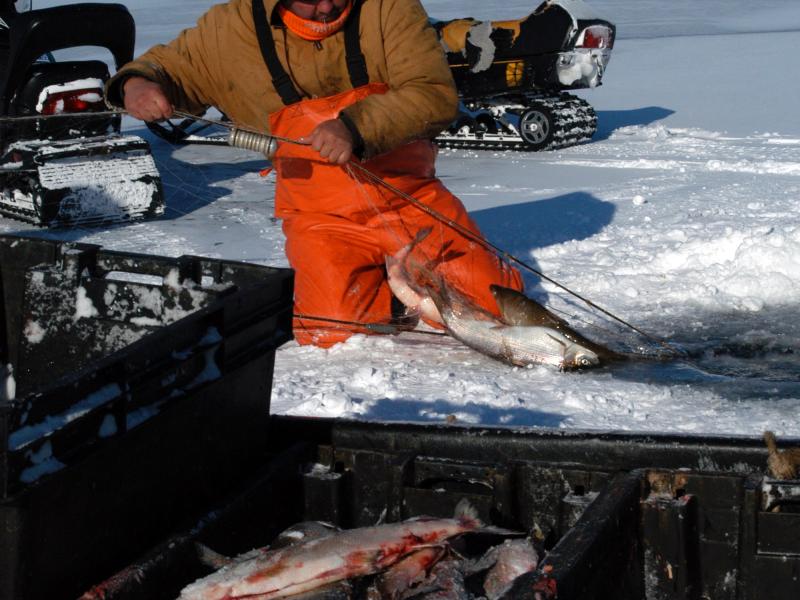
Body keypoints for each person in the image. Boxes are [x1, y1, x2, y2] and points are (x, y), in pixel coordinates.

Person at [106, 0, 523, 347]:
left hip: (407, 194)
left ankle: (421, 271)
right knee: (331, 329)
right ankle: (389, 285)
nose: (325, 8)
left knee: (495, 307)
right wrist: (136, 85)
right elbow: (167, 70)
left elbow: (433, 94)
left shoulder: (390, 9)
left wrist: (356, 128)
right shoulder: (230, 28)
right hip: (320, 215)